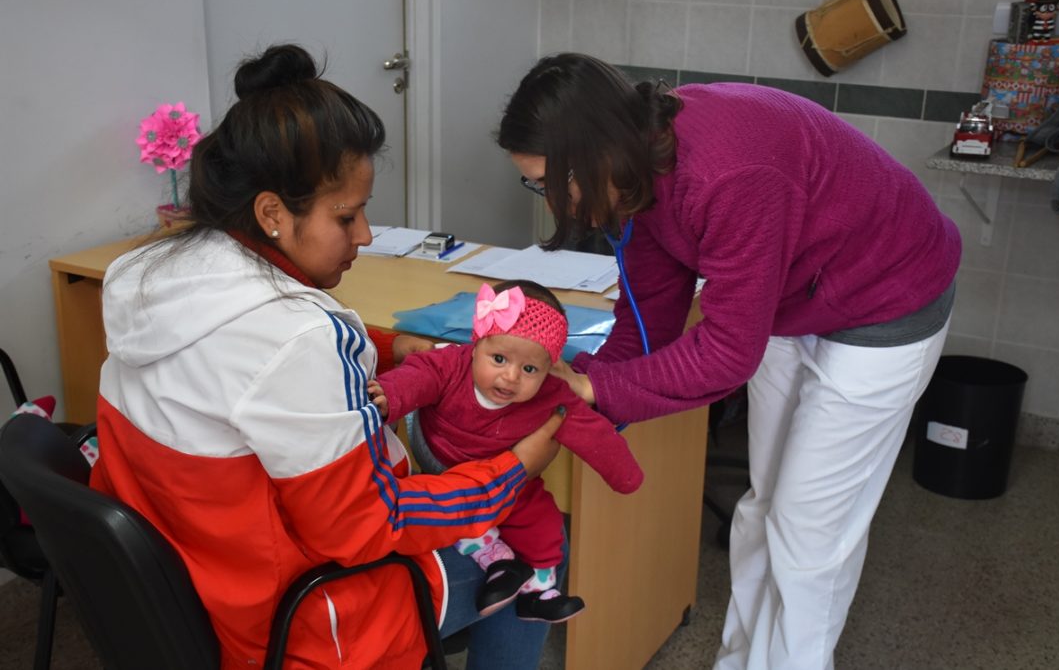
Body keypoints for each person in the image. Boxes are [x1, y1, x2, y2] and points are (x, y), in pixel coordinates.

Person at [91, 44, 566, 670]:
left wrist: (392, 348)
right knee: (532, 547)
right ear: (272, 214)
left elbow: (254, 371)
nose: (365, 235)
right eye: (348, 216)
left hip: (200, 585)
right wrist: (509, 473)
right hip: (308, 620)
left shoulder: (156, 279)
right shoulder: (297, 338)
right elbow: (367, 525)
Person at [496, 53, 961, 670]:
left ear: (594, 150)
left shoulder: (727, 174)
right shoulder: (636, 173)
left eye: (551, 182)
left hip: (888, 297)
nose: (553, 199)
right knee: (765, 504)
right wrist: (586, 390)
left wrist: (595, 392)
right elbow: (648, 319)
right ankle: (740, 660)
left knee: (809, 533)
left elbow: (724, 355)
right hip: (793, 297)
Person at [368, 280, 643, 624]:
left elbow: (594, 433)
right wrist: (389, 397)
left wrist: (626, 474)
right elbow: (417, 376)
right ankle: (491, 553)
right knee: (461, 517)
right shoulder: (451, 364)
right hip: (447, 473)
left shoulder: (551, 394)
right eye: (498, 358)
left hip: (512, 481)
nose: (510, 377)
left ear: (549, 370)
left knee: (544, 522)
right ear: (477, 344)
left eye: (530, 370)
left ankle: (540, 591)